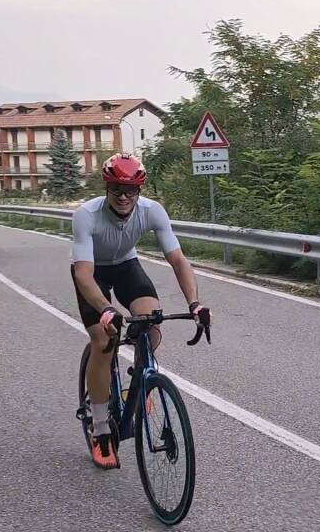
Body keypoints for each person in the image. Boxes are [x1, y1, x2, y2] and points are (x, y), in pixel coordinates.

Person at [70, 153, 208, 469]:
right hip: (92, 273)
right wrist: (105, 309)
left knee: (153, 323)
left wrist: (194, 304)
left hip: (126, 266)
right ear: (107, 187)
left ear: (139, 191)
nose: (123, 196)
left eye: (130, 190)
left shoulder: (152, 211)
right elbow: (82, 274)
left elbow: (178, 260)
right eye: (117, 188)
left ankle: (137, 385)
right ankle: (102, 428)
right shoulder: (86, 215)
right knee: (103, 342)